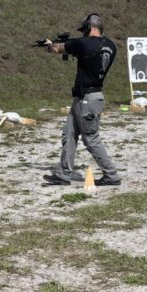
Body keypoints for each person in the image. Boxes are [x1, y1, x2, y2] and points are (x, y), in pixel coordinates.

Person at [43, 13, 121, 186]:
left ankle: (112, 175)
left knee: (91, 138)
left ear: (88, 28)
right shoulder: (110, 45)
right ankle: (64, 173)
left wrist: (50, 45)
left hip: (88, 99)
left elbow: (57, 49)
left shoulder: (82, 43)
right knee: (69, 134)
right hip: (86, 97)